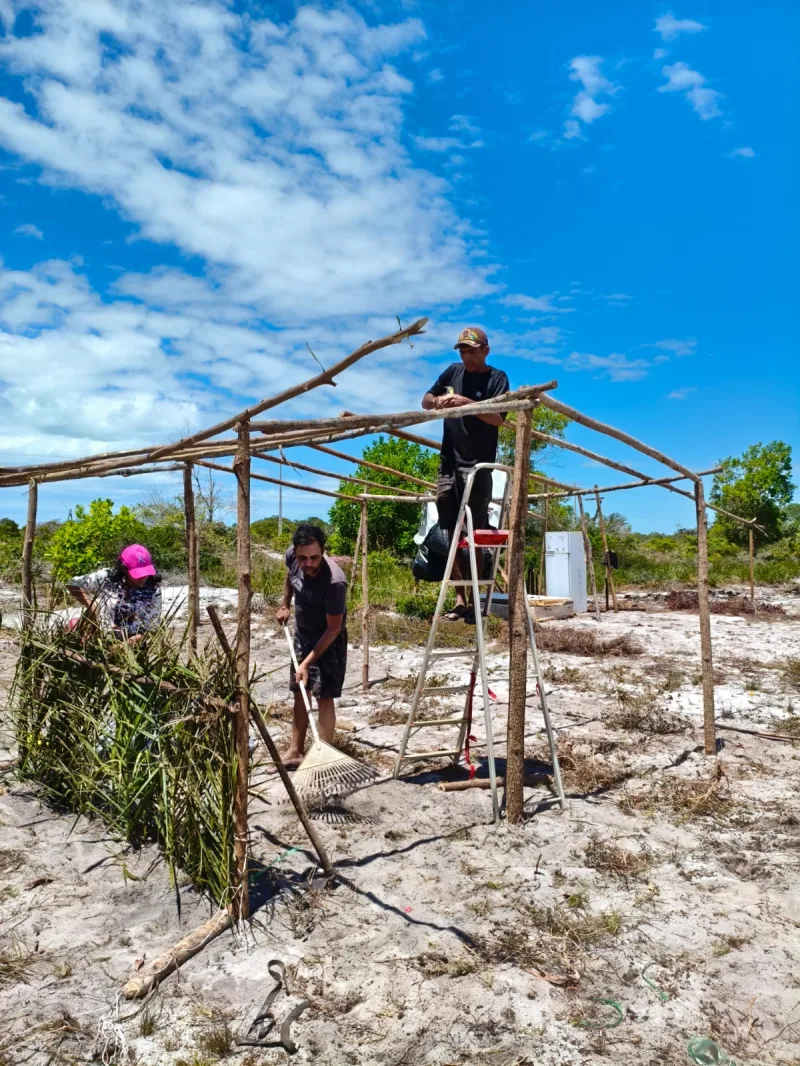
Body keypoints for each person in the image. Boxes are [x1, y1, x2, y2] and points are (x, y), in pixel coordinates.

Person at [422, 326, 510, 622]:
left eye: (471, 351)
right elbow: (425, 399)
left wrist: (466, 404)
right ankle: (460, 599)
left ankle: (475, 600)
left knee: (475, 532)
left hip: (478, 465)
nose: (466, 356)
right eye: (462, 351)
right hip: (449, 461)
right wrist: (437, 402)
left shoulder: (497, 378)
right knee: (450, 530)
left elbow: (498, 419)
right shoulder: (452, 372)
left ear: (485, 350)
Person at [275, 524, 347, 768]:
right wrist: (285, 604)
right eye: (303, 558)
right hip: (303, 634)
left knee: (323, 696)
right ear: (295, 552)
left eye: (314, 558)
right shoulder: (292, 556)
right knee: (300, 690)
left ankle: (323, 759)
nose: (308, 563)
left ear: (323, 552)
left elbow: (333, 628)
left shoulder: (334, 582)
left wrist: (306, 663)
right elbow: (290, 575)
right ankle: (295, 751)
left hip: (328, 639)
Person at [66, 544, 163, 641]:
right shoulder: (107, 578)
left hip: (133, 642)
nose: (143, 577)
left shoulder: (153, 590)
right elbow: (73, 583)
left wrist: (122, 646)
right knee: (73, 625)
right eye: (138, 574)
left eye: (146, 572)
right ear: (124, 569)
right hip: (102, 635)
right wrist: (92, 606)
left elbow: (151, 630)